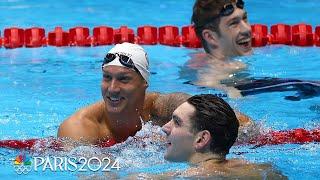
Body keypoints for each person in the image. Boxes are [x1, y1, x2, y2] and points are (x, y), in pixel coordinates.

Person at [57, 42, 252, 146]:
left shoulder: (163, 107)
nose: (112, 88)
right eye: (107, 77)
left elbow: (241, 125)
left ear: (144, 84)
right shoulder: (79, 128)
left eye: (124, 79)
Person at [182, 0, 320, 100]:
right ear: (210, 37)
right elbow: (207, 83)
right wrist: (232, 93)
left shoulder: (206, 58)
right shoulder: (217, 72)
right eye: (234, 23)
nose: (247, 28)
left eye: (245, 18)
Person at [161, 94, 287, 179]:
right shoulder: (261, 169)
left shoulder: (194, 176)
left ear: (201, 139)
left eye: (177, 122)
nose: (165, 127)